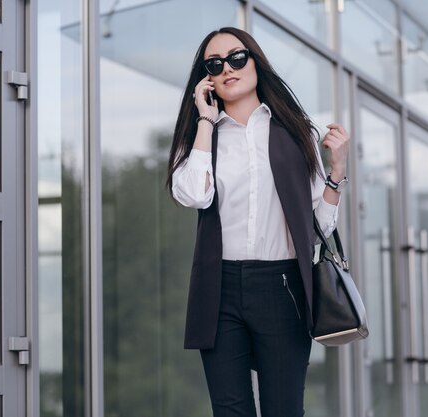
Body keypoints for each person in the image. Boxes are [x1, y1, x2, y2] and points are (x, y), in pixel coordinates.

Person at [166, 27, 350, 417]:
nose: (228, 69)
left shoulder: (296, 131)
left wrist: (337, 173)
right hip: (219, 288)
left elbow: (318, 224)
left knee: (284, 410)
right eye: (214, 64)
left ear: (255, 61)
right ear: (207, 79)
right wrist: (204, 121)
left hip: (282, 286)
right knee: (230, 411)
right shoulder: (200, 136)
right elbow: (193, 195)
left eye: (237, 57)